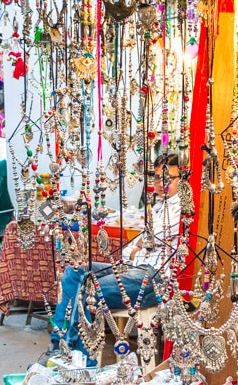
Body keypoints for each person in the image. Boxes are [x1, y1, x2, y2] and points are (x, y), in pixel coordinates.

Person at [52, 152, 185, 360]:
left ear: (181, 179)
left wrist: (141, 245)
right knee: (74, 272)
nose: (161, 183)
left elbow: (153, 238)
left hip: (154, 278)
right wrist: (139, 246)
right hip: (133, 268)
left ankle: (76, 355)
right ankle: (58, 343)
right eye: (158, 177)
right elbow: (131, 247)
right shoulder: (159, 207)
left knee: (88, 288)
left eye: (168, 178)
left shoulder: (182, 207)